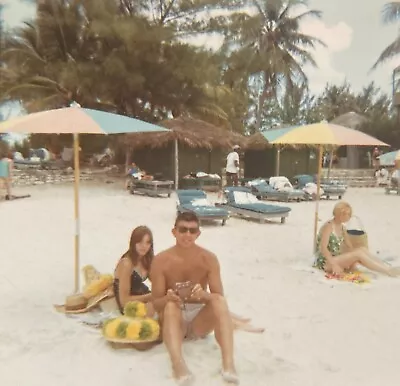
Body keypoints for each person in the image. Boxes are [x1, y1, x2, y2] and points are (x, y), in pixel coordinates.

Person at [150, 212, 241, 385]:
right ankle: (178, 364)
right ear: (174, 232)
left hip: (200, 322)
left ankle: (228, 363)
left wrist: (204, 295)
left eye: (192, 231)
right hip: (174, 320)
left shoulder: (208, 259)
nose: (187, 235)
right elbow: (156, 302)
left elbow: (217, 296)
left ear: (198, 233)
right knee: (169, 305)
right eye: (183, 230)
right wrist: (168, 297)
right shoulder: (161, 261)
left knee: (220, 302)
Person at [315, 201, 400, 277]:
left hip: (337, 257)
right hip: (326, 262)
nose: (349, 217)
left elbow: (349, 246)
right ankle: (387, 271)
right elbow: (323, 248)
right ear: (340, 214)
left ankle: (386, 267)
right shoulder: (329, 226)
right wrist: (334, 265)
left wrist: (352, 259)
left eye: (349, 214)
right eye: (347, 214)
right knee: (358, 254)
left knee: (361, 250)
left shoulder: (342, 227)